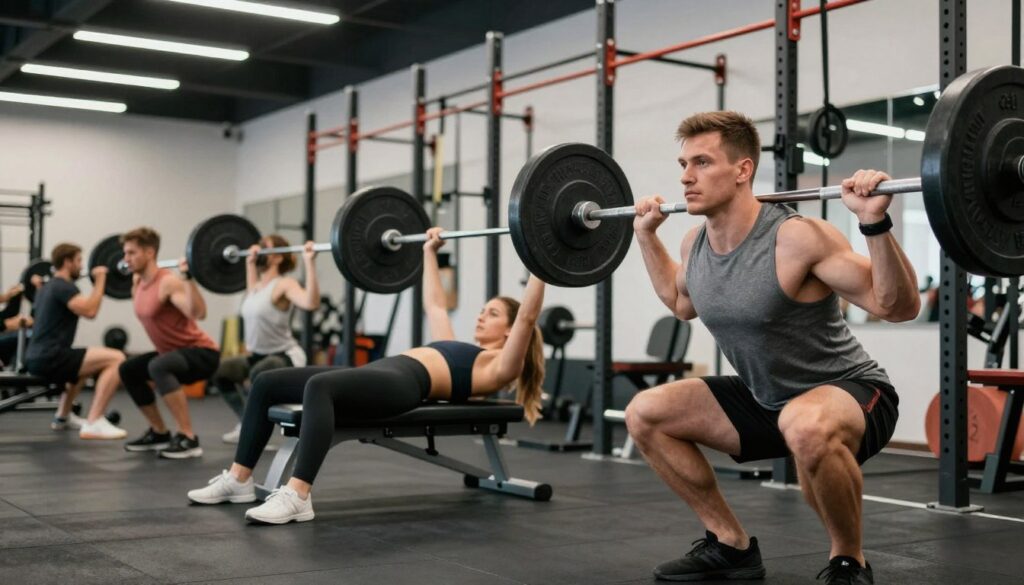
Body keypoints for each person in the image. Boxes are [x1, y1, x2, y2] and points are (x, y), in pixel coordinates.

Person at [625, 111, 919, 585]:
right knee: (645, 413)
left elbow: (897, 306)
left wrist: (874, 222)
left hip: (851, 392)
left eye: (702, 162)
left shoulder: (797, 237)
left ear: (743, 170)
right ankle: (729, 544)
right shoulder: (693, 243)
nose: (685, 176)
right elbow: (681, 303)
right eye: (683, 163)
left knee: (804, 424)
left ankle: (849, 561)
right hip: (768, 399)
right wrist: (644, 237)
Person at [186, 227, 546, 525]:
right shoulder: (459, 346)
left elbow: (528, 317)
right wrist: (429, 251)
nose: (481, 316)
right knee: (267, 382)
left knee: (319, 386)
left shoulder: (499, 366)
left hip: (407, 385)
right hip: (382, 371)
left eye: (493, 313)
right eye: (483, 310)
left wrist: (539, 261)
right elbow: (435, 304)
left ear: (510, 331)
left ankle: (298, 494)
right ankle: (239, 479)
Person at [118, 227, 220, 459]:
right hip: (171, 353)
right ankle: (159, 432)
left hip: (201, 353)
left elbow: (198, 313)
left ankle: (188, 437)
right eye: (125, 253)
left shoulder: (168, 282)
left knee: (158, 366)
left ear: (150, 252)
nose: (126, 259)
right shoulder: (137, 282)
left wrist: (188, 278)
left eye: (132, 253)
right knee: (128, 369)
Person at [212, 235, 320, 444]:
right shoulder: (256, 286)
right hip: (258, 355)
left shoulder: (284, 284)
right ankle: (247, 423)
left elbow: (311, 303)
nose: (258, 249)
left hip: (285, 356)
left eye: (264, 247)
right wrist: (249, 262)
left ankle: (260, 432)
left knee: (258, 374)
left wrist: (309, 262)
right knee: (223, 373)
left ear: (277, 257)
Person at [23, 243, 126, 439]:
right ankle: (94, 421)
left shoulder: (46, 288)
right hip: (49, 356)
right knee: (117, 358)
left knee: (82, 366)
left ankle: (63, 417)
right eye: (78, 260)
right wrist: (101, 279)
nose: (81, 266)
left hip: (36, 356)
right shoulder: (63, 286)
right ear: (67, 262)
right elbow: (90, 311)